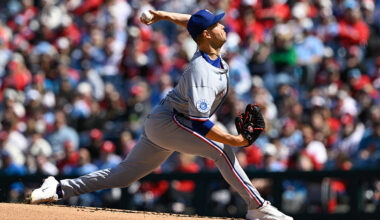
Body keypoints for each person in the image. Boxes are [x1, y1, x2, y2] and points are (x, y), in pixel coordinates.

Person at [29, 9, 292, 220]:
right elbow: (200, 123)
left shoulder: (208, 50)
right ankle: (256, 205)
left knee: (123, 176)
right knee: (222, 150)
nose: (224, 26)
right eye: (217, 25)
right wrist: (237, 140)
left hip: (165, 120)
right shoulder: (202, 70)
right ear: (207, 35)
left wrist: (163, 15)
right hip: (173, 121)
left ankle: (58, 188)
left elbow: (192, 21)